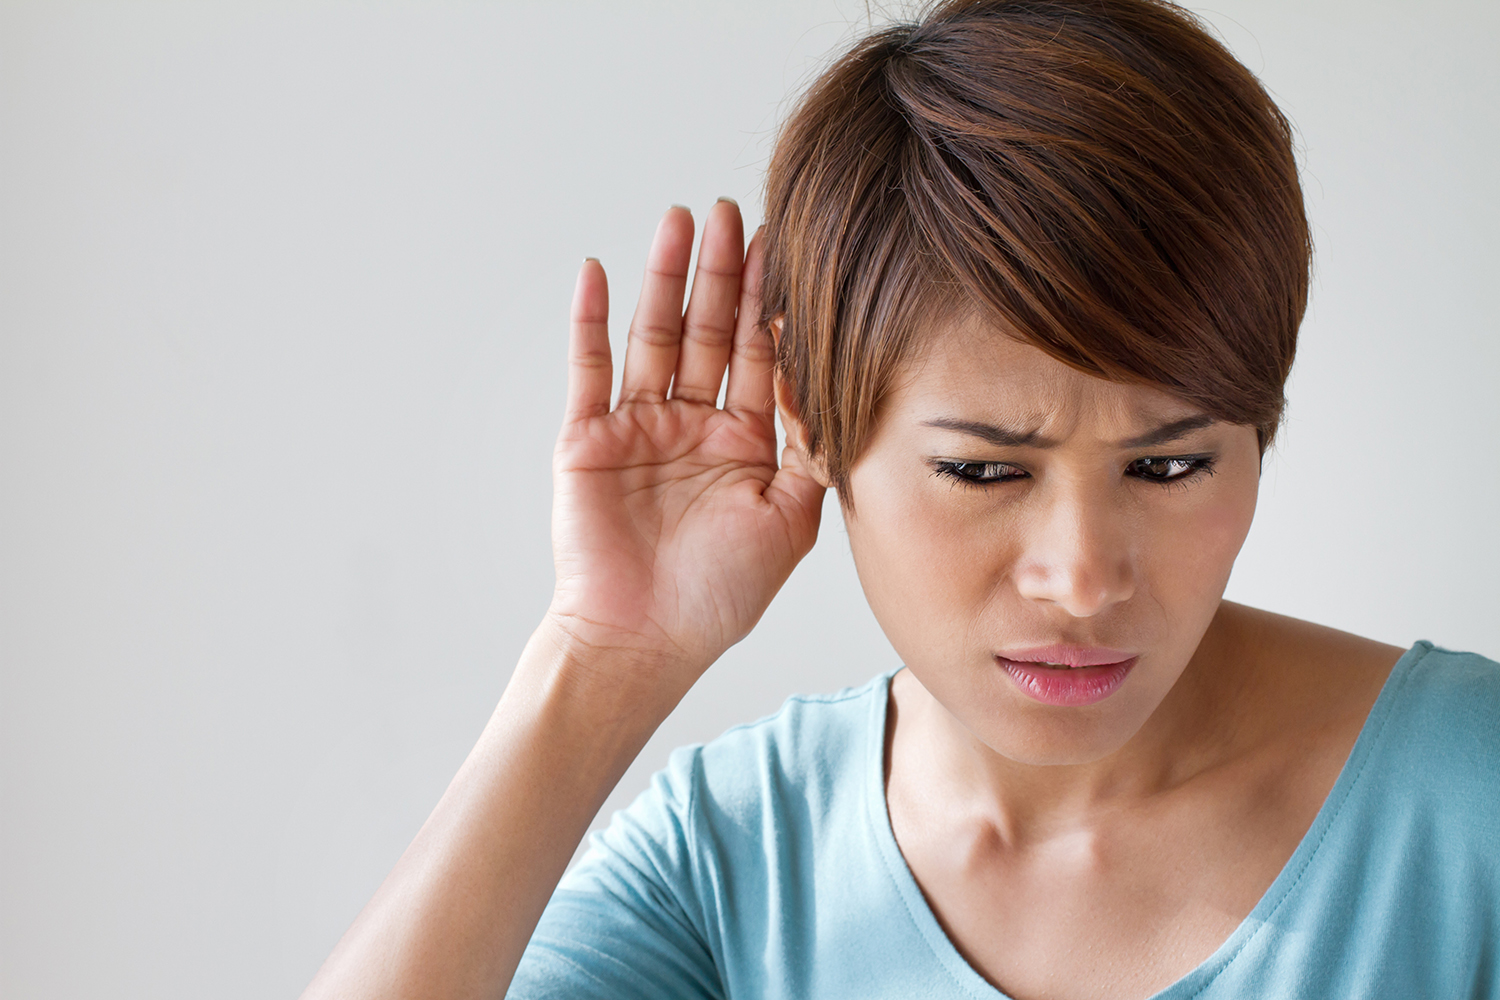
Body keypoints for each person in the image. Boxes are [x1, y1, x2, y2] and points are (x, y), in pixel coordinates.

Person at [303, 1, 1500, 997]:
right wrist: (599, 660)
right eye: (986, 471)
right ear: (811, 425)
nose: (1082, 576)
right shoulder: (733, 865)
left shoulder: (1468, 796)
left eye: (1170, 465)